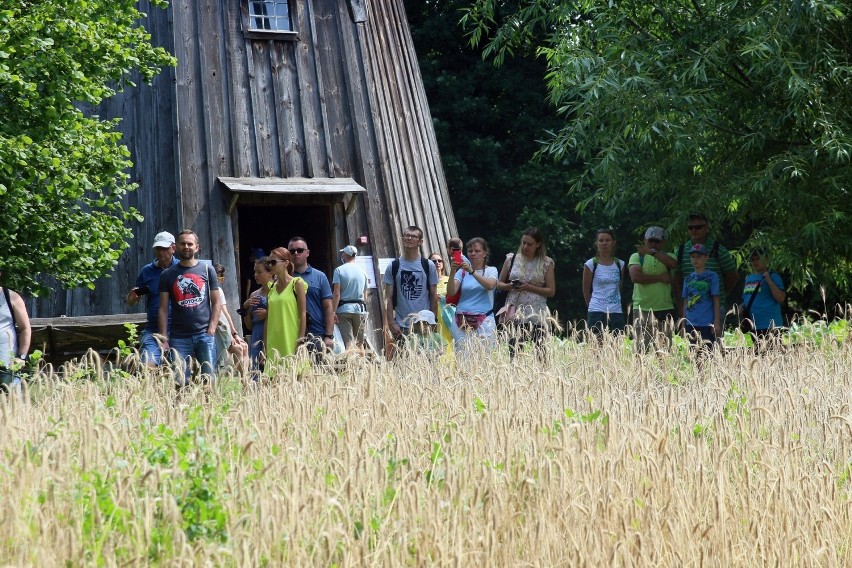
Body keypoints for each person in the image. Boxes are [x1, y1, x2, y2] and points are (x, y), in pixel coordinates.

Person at [158, 229, 221, 385]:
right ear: (176, 247)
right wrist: (164, 338)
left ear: (197, 247)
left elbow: (217, 301)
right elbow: (163, 309)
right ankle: (181, 409)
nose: (186, 246)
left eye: (190, 244)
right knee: (179, 382)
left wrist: (212, 328)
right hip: (179, 337)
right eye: (183, 243)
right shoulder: (167, 275)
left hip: (204, 334)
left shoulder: (208, 270)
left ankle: (208, 408)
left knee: (208, 380)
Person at [496, 227, 556, 359]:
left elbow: (551, 291)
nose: (525, 246)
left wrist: (529, 287)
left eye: (529, 244)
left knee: (541, 354)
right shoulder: (511, 259)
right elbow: (499, 284)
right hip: (515, 312)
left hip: (537, 314)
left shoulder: (546, 262)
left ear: (538, 244)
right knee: (515, 353)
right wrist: (510, 286)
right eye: (523, 243)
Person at [673, 213, 738, 325]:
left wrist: (718, 293)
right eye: (690, 227)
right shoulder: (681, 251)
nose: (694, 230)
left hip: (715, 309)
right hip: (691, 311)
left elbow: (732, 276)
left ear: (706, 228)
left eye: (698, 227)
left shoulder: (718, 249)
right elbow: (677, 279)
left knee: (715, 342)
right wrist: (681, 305)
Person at [382, 225, 439, 353]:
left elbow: (433, 295)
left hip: (424, 324)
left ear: (420, 242)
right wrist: (391, 323)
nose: (409, 238)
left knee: (427, 364)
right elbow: (388, 297)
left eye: (413, 236)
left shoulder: (428, 265)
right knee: (404, 365)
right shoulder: (394, 266)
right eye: (406, 235)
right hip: (402, 325)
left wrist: (433, 320)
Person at [126, 231, 177, 367]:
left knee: (180, 369)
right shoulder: (147, 271)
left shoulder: (181, 268)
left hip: (180, 328)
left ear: (173, 248)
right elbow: (133, 300)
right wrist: (131, 298)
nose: (161, 252)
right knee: (148, 366)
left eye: (164, 249)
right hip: (153, 329)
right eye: (158, 249)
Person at [628, 226, 678, 352]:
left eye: (657, 241)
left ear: (663, 243)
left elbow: (673, 264)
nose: (653, 244)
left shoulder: (670, 256)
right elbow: (636, 277)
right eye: (650, 241)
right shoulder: (636, 256)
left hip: (665, 308)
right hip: (642, 309)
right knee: (640, 351)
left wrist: (652, 252)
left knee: (664, 352)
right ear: (645, 240)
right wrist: (661, 277)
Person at [447, 237, 498, 353]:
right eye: (470, 251)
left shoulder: (491, 270)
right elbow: (451, 291)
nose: (473, 254)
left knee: (484, 358)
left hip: (484, 321)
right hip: (461, 320)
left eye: (477, 251)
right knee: (463, 358)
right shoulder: (462, 272)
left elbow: (490, 285)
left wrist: (472, 271)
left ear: (485, 253)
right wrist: (452, 271)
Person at [289, 237, 335, 357]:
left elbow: (328, 307)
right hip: (291, 333)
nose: (296, 253)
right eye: (292, 251)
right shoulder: (284, 279)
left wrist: (329, 335)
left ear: (307, 253)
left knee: (318, 373)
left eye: (300, 250)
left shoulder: (320, 277)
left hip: (316, 333)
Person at [263, 247, 307, 364]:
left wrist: (301, 341)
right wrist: (264, 345)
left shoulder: (297, 283)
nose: (270, 266)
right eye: (268, 263)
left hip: (291, 338)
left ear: (286, 263)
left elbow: (303, 314)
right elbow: (268, 318)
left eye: (273, 262)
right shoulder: (271, 287)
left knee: (295, 376)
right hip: (273, 341)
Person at [582, 229, 626, 336]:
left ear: (613, 243)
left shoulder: (620, 264)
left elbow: (619, 286)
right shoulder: (591, 264)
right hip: (596, 309)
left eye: (607, 240)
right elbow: (586, 289)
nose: (604, 243)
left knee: (616, 346)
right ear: (596, 243)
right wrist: (591, 306)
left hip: (616, 310)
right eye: (601, 240)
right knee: (597, 346)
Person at [740, 248, 786, 350]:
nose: (755, 262)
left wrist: (769, 280)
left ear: (766, 259)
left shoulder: (774, 276)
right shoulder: (749, 278)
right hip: (754, 325)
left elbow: (780, 298)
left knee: (773, 355)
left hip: (771, 325)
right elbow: (746, 299)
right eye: (753, 259)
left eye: (758, 259)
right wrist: (741, 308)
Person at [681, 243, 721, 353]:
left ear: (706, 257)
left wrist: (716, 322)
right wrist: (683, 323)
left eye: (699, 256)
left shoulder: (712, 276)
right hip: (691, 322)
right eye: (693, 257)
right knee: (694, 355)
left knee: (708, 355)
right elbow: (685, 301)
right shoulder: (688, 278)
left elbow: (716, 299)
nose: (695, 259)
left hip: (707, 323)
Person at [331, 245, 368, 351]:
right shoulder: (363, 272)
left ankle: (351, 367)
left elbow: (336, 293)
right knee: (360, 344)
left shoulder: (339, 270)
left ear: (345, 255)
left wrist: (333, 312)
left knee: (348, 343)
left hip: (344, 310)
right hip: (359, 310)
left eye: (343, 253)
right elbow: (365, 296)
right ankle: (363, 367)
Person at [213, 263, 248, 371]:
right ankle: (244, 380)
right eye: (216, 276)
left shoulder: (219, 290)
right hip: (216, 327)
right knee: (238, 349)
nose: (218, 279)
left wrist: (234, 333)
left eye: (220, 277)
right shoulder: (207, 290)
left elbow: (225, 312)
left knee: (244, 346)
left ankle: (246, 378)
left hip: (223, 325)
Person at [0, 275, 31, 396]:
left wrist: (21, 357)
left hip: (8, 365)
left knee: (12, 408)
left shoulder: (11, 297)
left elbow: (25, 329)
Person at [242, 257, 273, 371]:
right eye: (255, 271)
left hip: (272, 335)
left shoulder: (277, 292)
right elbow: (250, 326)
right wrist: (245, 309)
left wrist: (268, 313)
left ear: (270, 273)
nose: (255, 275)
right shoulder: (254, 295)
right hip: (256, 336)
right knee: (256, 372)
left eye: (259, 272)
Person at [430, 248, 454, 350]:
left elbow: (455, 296)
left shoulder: (449, 279)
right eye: (434, 261)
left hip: (447, 314)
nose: (437, 263)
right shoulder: (426, 282)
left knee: (450, 341)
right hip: (433, 315)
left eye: (440, 261)